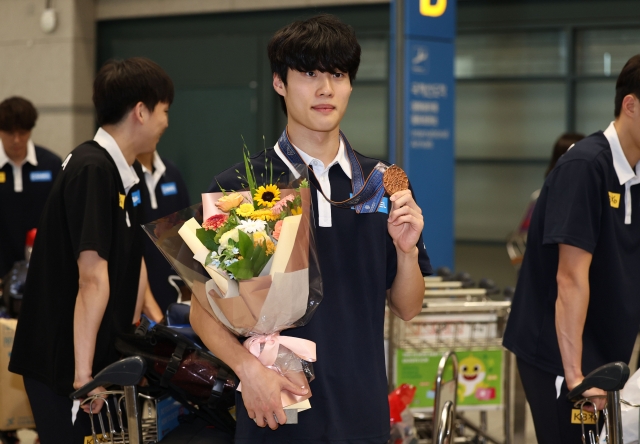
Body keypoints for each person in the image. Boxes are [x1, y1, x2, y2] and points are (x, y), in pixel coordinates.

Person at [189, 14, 432, 443]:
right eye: (309, 73)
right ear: (279, 83)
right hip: (278, 410)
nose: (326, 88)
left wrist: (408, 251)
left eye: (338, 74)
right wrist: (247, 369)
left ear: (351, 85)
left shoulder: (384, 181)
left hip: (363, 411)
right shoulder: (245, 185)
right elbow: (202, 310)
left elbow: (408, 307)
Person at [8, 57, 173, 443]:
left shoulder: (119, 173)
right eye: (164, 111)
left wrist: (151, 327)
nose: (166, 122)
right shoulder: (92, 169)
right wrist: (85, 377)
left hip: (95, 358)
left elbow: (131, 263)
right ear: (141, 111)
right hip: (65, 366)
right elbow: (92, 277)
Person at [503, 54, 640, 443]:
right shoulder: (585, 167)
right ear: (630, 105)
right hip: (561, 353)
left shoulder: (636, 173)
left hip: (607, 352)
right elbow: (570, 277)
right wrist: (578, 376)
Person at [0, 96, 61, 278]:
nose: (17, 140)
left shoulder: (51, 164)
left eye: (23, 132)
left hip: (42, 268)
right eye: (10, 133)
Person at [137, 149, 190, 317]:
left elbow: (186, 233)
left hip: (171, 285)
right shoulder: (124, 176)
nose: (165, 122)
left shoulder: (171, 173)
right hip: (137, 290)